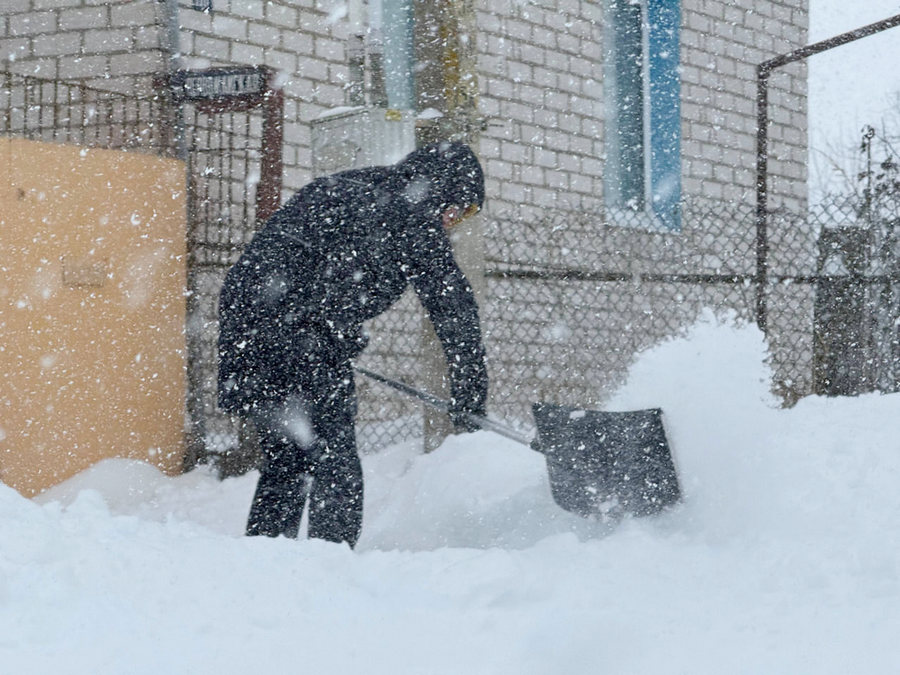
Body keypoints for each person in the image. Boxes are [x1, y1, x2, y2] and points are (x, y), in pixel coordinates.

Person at [217, 141, 489, 548]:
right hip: (295, 328)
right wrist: (470, 398)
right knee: (333, 456)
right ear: (443, 193)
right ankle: (331, 564)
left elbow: (304, 260)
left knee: (287, 458)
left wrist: (323, 333)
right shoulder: (413, 213)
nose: (454, 221)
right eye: (460, 209)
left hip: (246, 330)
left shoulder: (361, 186)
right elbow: (453, 311)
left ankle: (264, 560)